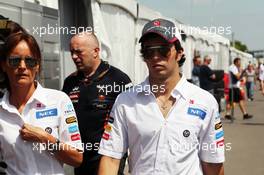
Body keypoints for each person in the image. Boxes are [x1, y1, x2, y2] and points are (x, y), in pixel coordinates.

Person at [98, 18, 224, 175]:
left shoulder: (204, 102)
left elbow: (212, 165)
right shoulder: (126, 101)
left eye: (163, 50)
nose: (156, 57)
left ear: (179, 53)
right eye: (149, 51)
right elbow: (110, 159)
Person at [0, 32, 83, 175]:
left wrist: (45, 138)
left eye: (30, 61)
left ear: (37, 66)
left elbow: (77, 158)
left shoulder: (59, 101)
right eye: (14, 60)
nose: (22, 66)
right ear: (3, 65)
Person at [62, 32, 132, 175]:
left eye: (79, 52)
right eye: (72, 52)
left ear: (96, 51)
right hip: (80, 159)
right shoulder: (70, 82)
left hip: (109, 158)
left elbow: (133, 119)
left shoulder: (119, 80)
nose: (74, 57)